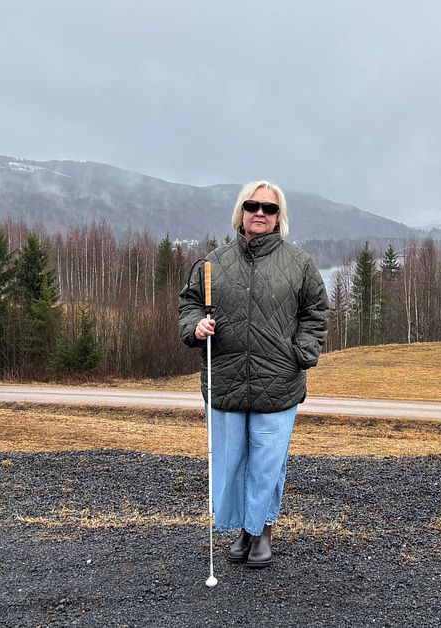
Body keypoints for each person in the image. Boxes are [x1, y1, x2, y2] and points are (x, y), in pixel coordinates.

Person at [177, 180, 329, 569]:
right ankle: (242, 528)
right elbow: (190, 303)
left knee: (266, 462)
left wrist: (302, 352)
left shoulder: (298, 263)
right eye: (252, 205)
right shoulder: (213, 263)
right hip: (226, 379)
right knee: (231, 461)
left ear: (280, 217)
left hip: (278, 382)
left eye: (269, 208)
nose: (260, 213)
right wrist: (195, 328)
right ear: (240, 212)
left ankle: (261, 530)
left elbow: (316, 311)